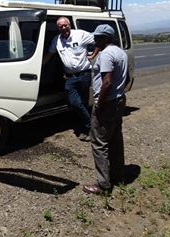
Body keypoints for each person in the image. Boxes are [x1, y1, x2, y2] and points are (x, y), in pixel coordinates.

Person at [83, 24, 128, 195]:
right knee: (115, 139)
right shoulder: (120, 52)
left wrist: (99, 104)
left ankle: (103, 185)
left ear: (107, 38)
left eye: (98, 37)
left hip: (107, 102)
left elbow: (107, 82)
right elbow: (126, 77)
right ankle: (118, 175)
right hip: (119, 99)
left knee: (99, 143)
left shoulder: (106, 55)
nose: (95, 40)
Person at [43, 17, 95, 141]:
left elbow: (99, 40)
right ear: (58, 28)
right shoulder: (57, 40)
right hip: (70, 77)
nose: (63, 28)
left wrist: (94, 53)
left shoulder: (80, 34)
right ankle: (91, 126)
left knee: (83, 102)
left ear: (69, 24)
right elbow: (50, 54)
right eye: (60, 26)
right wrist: (38, 66)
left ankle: (86, 129)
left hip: (84, 74)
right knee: (75, 102)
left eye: (65, 25)